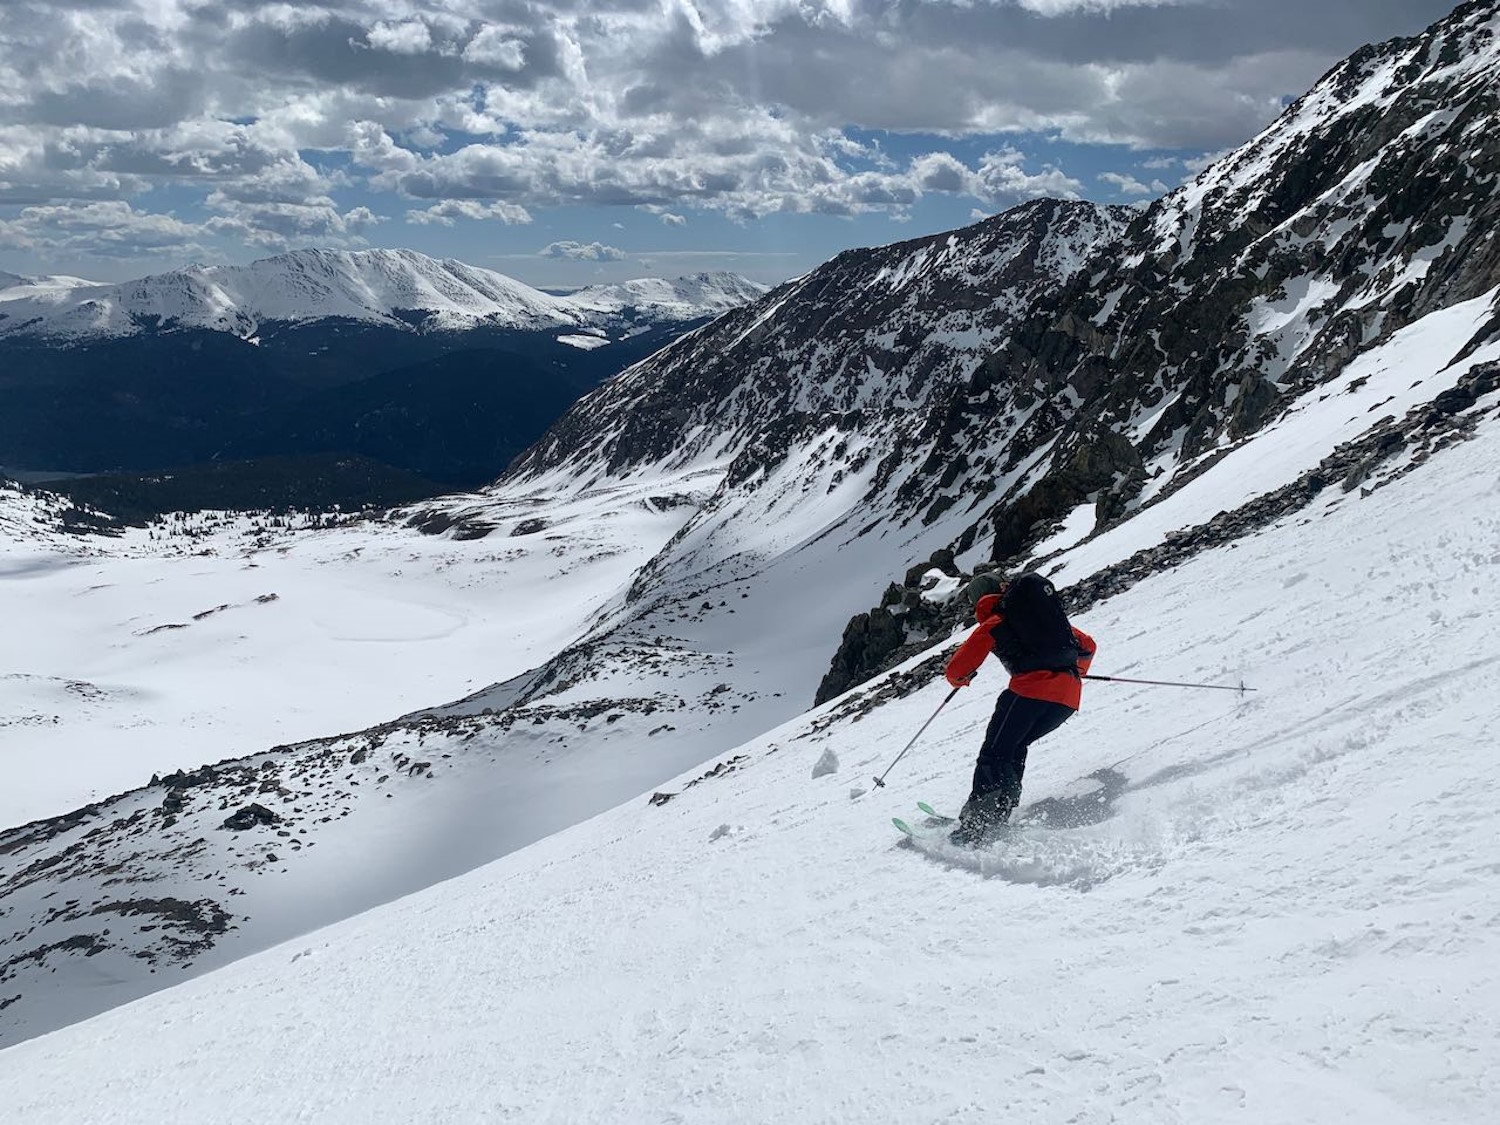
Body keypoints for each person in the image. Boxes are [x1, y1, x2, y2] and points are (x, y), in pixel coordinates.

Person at [943, 573, 1096, 845]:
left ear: (978, 599)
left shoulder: (996, 619)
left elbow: (956, 669)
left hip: (1029, 693)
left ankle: (977, 825)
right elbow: (1088, 646)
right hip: (1068, 698)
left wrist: (961, 680)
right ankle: (999, 813)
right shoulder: (1039, 615)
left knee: (995, 752)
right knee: (1014, 746)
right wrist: (1073, 673)